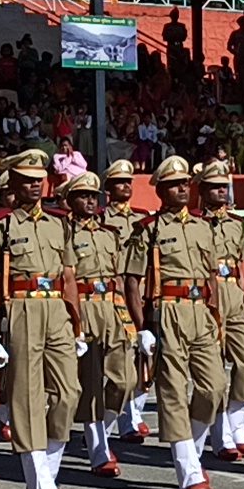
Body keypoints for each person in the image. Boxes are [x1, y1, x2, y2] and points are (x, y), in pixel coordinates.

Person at [0, 147, 82, 489]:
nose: (35, 186)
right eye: (27, 181)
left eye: (39, 180)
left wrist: (77, 325)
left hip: (56, 311)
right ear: (14, 183)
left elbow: (68, 276)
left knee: (69, 393)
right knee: (27, 397)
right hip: (21, 309)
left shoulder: (59, 222)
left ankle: (48, 477)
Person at [124, 156, 225, 489]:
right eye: (175, 184)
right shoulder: (148, 229)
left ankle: (193, 452)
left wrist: (215, 314)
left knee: (213, 388)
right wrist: (142, 327)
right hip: (167, 311)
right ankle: (187, 468)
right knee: (172, 391)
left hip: (200, 311)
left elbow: (211, 274)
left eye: (186, 183)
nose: (183, 188)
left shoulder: (202, 226)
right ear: (162, 190)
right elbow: (133, 281)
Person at [61, 169, 132, 476]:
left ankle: (100, 427)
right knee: (90, 383)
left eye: (94, 196)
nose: (90, 201)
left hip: (111, 308)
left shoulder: (109, 234)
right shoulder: (65, 234)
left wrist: (128, 318)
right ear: (70, 200)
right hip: (85, 307)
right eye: (83, 196)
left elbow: (118, 276)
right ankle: (98, 449)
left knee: (125, 380)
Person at [199, 160, 244, 459]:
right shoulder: (196, 222)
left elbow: (240, 266)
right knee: (215, 372)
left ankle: (237, 424)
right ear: (203, 190)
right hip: (208, 295)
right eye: (214, 187)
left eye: (224, 187)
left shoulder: (237, 223)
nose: (221, 192)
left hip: (233, 293)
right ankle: (221, 434)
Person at [101, 158, 151, 442]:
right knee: (121, 361)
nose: (126, 186)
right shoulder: (102, 219)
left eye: (129, 181)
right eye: (120, 182)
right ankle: (122, 420)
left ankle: (131, 416)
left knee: (146, 360)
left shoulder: (142, 219)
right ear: (108, 188)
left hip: (142, 291)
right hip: (116, 292)